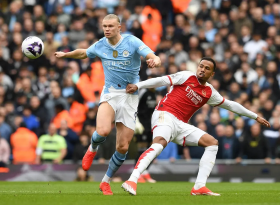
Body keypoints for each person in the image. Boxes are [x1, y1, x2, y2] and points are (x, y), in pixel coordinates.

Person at [121, 57, 270, 196]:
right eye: (201, 66)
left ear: (212, 73)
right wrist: (138, 85)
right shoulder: (186, 76)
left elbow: (231, 105)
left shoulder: (209, 92)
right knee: (159, 144)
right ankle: (132, 179)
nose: (202, 69)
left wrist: (255, 116)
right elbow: (161, 80)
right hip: (164, 114)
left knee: (212, 143)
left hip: (180, 124)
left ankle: (199, 186)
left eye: (207, 68)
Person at [54, 14, 160, 195]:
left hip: (130, 97)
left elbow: (151, 55)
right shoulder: (101, 44)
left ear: (120, 27)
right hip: (110, 93)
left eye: (111, 26)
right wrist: (66, 54)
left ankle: (105, 181)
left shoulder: (132, 41)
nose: (107, 29)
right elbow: (83, 52)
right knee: (102, 130)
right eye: (104, 26)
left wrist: (155, 60)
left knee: (123, 147)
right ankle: (92, 148)